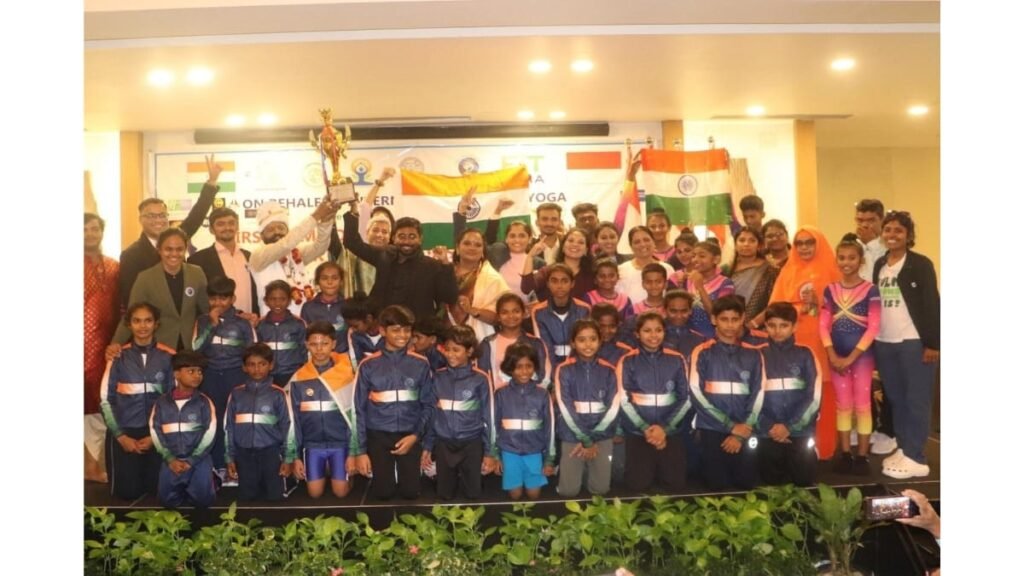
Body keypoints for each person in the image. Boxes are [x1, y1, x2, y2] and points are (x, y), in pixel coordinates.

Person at [764, 225, 841, 460]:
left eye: (809, 242)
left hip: (821, 342)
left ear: (819, 244)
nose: (804, 247)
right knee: (792, 390)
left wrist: (819, 303)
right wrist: (799, 309)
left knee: (820, 392)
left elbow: (844, 310)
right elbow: (775, 308)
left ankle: (823, 446)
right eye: (800, 243)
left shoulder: (832, 270)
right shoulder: (788, 271)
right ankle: (789, 440)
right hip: (790, 343)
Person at [873, 211, 939, 479]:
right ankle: (904, 447)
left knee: (916, 400)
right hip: (885, 341)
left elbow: (932, 304)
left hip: (913, 341)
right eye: (888, 230)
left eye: (898, 230)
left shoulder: (920, 264)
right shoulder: (880, 264)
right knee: (896, 399)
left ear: (908, 235)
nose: (892, 235)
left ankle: (917, 457)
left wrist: (933, 343)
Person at [118, 155, 222, 312]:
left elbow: (197, 215)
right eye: (151, 216)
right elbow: (131, 299)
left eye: (162, 215)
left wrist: (211, 182)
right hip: (154, 322)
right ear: (140, 219)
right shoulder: (131, 255)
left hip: (184, 318)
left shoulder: (177, 237)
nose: (158, 220)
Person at [353, 305, 435, 500]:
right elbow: (358, 410)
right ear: (383, 331)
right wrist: (360, 451)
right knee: (383, 494)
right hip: (378, 435)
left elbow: (429, 405)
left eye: (407, 330)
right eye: (396, 330)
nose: (403, 335)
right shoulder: (368, 365)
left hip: (410, 433)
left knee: (410, 493)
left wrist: (416, 436)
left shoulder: (421, 364)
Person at [689, 297, 765, 490]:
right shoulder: (701, 352)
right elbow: (696, 393)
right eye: (724, 319)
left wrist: (741, 430)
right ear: (714, 319)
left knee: (746, 484)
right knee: (716, 486)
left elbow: (759, 393)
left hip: (745, 428)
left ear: (742, 319)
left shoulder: (754, 354)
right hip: (712, 428)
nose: (730, 325)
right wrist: (730, 426)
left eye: (734, 319)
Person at [101, 302, 175, 500]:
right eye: (137, 321)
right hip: (125, 432)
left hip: (157, 433)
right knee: (127, 494)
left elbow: (174, 400)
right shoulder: (117, 357)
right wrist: (121, 437)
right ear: (129, 324)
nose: (143, 326)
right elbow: (106, 400)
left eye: (148, 321)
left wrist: (155, 437)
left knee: (158, 493)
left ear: (156, 324)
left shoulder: (169, 357)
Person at [820, 239, 881, 475]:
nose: (846, 262)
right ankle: (845, 453)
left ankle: (862, 456)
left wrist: (851, 357)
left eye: (852, 258)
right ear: (837, 260)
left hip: (861, 357)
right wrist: (832, 354)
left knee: (862, 405)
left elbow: (873, 327)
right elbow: (823, 324)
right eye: (842, 258)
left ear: (861, 261)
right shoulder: (830, 290)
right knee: (843, 405)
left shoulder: (870, 290)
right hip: (836, 356)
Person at [617, 311, 691, 493]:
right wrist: (645, 428)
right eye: (647, 330)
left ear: (665, 332)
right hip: (639, 432)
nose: (653, 335)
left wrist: (664, 429)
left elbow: (686, 397)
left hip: (670, 431)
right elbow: (623, 399)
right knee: (637, 486)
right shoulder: (627, 360)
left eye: (658, 330)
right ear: (637, 334)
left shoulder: (677, 359)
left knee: (675, 485)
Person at [420, 325, 497, 500]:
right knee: (444, 495)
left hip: (472, 443)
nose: (450, 354)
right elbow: (433, 415)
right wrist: (428, 445)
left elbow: (489, 417)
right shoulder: (438, 377)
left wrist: (489, 453)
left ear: (469, 351)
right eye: (447, 349)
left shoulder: (481, 379)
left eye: (456, 350)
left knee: (473, 494)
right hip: (444, 443)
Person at [192, 276, 257, 480]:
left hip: (236, 376)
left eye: (223, 298)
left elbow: (253, 353)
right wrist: (211, 325)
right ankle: (218, 465)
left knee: (236, 418)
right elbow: (195, 348)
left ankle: (238, 465)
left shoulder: (243, 323)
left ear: (233, 298)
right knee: (214, 419)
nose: (218, 303)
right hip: (210, 376)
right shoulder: (202, 321)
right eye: (213, 299)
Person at [343, 207, 459, 321]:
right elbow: (351, 242)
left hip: (417, 329)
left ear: (420, 239)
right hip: (383, 326)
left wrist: (446, 264)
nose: (406, 241)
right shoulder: (384, 256)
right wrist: (353, 210)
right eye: (401, 236)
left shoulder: (432, 266)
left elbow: (450, 298)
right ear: (394, 238)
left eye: (412, 237)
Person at [287, 321, 358, 499]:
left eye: (324, 343)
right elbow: (294, 421)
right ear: (306, 345)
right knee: (315, 494)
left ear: (333, 344)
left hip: (340, 443)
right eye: (314, 344)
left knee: (340, 493)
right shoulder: (299, 378)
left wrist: (353, 452)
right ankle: (328, 469)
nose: (319, 349)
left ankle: (345, 475)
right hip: (313, 445)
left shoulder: (347, 373)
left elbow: (354, 417)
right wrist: (295, 457)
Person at [110, 228, 210, 352]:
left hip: (191, 346)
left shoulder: (197, 273)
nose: (174, 254)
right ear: (159, 250)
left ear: (185, 250)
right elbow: (131, 314)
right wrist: (116, 343)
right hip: (159, 347)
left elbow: (206, 309)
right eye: (168, 249)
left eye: (179, 249)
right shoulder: (145, 278)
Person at [758, 302, 822, 486]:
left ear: (794, 326)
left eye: (784, 325)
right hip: (767, 432)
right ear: (765, 326)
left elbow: (814, 396)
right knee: (769, 485)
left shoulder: (806, 354)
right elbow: (751, 398)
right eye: (772, 325)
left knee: (804, 482)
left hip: (800, 431)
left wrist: (789, 426)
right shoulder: (757, 355)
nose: (777, 331)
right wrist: (769, 426)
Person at [554, 319, 620, 497]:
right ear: (573, 343)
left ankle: (585, 471)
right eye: (581, 340)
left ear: (600, 341)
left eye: (593, 339)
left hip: (602, 435)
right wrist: (585, 439)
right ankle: (571, 471)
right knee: (568, 492)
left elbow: (613, 407)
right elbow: (565, 407)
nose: (588, 344)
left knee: (601, 490)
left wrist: (593, 437)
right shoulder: (564, 369)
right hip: (572, 434)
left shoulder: (609, 370)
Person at [224, 343, 296, 501]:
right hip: (244, 454)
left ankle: (288, 484)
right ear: (244, 367)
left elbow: (288, 427)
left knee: (275, 497)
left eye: (262, 364)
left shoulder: (278, 394)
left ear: (271, 365)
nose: (257, 369)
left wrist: (288, 458)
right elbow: (228, 427)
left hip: (270, 452)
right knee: (246, 497)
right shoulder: (236, 394)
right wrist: (229, 457)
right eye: (251, 364)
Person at [149, 351, 218, 509]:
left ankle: (211, 480)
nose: (197, 376)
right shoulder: (161, 403)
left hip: (198, 458)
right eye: (191, 371)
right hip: (172, 459)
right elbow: (155, 431)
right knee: (167, 502)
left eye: (199, 372)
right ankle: (185, 486)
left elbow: (210, 433)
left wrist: (191, 460)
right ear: (177, 374)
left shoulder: (204, 402)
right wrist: (169, 459)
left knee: (203, 501)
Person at [249, 197, 339, 316]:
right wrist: (316, 216)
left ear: (288, 231)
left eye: (281, 228)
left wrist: (326, 221)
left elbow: (320, 247)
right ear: (261, 235)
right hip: (274, 322)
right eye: (270, 229)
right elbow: (285, 244)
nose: (277, 232)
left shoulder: (294, 253)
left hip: (303, 319)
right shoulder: (258, 256)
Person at [492, 343, 556, 500]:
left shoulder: (542, 394)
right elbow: (493, 426)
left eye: (529, 366)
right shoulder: (501, 394)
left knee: (534, 494)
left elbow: (550, 428)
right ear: (510, 368)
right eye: (518, 367)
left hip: (534, 451)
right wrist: (495, 455)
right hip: (509, 452)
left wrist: (549, 459)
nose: (524, 371)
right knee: (515, 495)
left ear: (534, 367)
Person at [85, 212, 119, 483]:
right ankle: (89, 466)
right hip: (81, 346)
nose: (90, 234)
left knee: (102, 400)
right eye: (84, 230)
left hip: (107, 346)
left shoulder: (113, 266)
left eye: (94, 229)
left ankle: (96, 465)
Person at [462, 197, 544, 301]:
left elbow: (539, 293)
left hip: (526, 309)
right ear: (506, 239)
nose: (517, 240)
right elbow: (488, 238)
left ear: (530, 239)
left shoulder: (539, 263)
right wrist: (498, 211)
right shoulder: (497, 252)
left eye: (522, 236)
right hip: (494, 308)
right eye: (512, 236)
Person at [444, 218, 509, 341]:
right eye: (467, 243)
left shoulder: (493, 279)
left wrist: (473, 310)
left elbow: (500, 317)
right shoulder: (444, 272)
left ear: (483, 251)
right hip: (442, 338)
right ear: (457, 247)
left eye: (478, 245)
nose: (472, 248)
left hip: (478, 339)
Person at [187, 206, 259, 315]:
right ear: (211, 229)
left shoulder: (250, 257)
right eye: (221, 224)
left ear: (237, 226)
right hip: (216, 323)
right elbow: (197, 300)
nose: (227, 227)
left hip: (250, 322)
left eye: (231, 223)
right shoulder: (198, 260)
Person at [478, 292, 551, 390]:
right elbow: (481, 377)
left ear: (524, 313)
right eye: (505, 312)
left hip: (530, 397)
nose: (511, 316)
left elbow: (544, 377)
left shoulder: (535, 343)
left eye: (516, 311)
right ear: (498, 316)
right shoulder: (488, 344)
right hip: (498, 397)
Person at [530, 264, 592, 368]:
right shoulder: (538, 311)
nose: (559, 286)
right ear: (548, 284)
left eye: (564, 281)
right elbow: (544, 346)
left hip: (579, 364)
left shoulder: (584, 309)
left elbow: (585, 342)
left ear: (572, 283)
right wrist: (554, 372)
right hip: (550, 364)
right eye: (554, 281)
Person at [256, 280, 308, 387]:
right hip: (267, 375)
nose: (277, 303)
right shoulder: (260, 325)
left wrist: (303, 371)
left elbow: (305, 350)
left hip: (292, 374)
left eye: (282, 299)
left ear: (289, 301)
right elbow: (256, 352)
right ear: (266, 301)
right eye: (273, 299)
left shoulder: (298, 323)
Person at [522, 227, 595, 301]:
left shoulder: (591, 275)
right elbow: (527, 289)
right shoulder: (548, 271)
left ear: (586, 250)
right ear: (562, 247)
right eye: (570, 240)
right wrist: (530, 257)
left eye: (581, 242)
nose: (575, 244)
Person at [684, 241, 736, 338]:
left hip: (712, 337)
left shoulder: (726, 284)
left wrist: (700, 287)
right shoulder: (690, 280)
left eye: (702, 256)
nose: (695, 260)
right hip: (689, 336)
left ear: (716, 259)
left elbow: (718, 316)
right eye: (694, 256)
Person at [728, 227, 778, 326]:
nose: (746, 244)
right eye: (742, 240)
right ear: (735, 244)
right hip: (729, 324)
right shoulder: (727, 269)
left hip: (759, 325)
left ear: (759, 245)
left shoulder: (770, 270)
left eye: (752, 241)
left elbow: (776, 301)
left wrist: (754, 323)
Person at [300, 261, 349, 353]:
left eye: (334, 278)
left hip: (345, 357)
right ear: (317, 281)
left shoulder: (348, 305)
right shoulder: (308, 308)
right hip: (317, 357)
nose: (329, 282)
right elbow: (304, 338)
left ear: (341, 281)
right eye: (324, 278)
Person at [617, 226, 674, 303]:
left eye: (646, 240)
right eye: (637, 242)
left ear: (653, 242)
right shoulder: (621, 270)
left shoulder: (667, 269)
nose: (643, 244)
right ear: (631, 246)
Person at [854, 198, 887, 281]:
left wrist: (870, 242)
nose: (864, 225)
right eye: (860, 220)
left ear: (882, 220)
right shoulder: (851, 246)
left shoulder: (890, 246)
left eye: (871, 220)